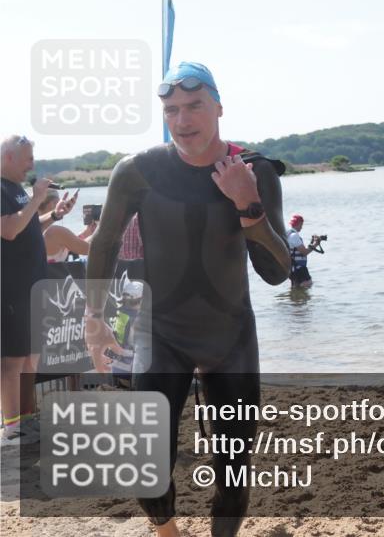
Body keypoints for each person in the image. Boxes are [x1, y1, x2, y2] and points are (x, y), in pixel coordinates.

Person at [84, 62, 291, 537]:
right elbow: (105, 241)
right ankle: (168, 533)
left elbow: (277, 273)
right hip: (162, 333)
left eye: (194, 105)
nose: (182, 119)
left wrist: (247, 204)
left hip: (230, 337)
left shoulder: (254, 170)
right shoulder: (137, 171)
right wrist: (93, 316)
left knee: (235, 469)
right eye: (171, 109)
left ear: (218, 106)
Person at [1, 135, 75, 445]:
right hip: (11, 289)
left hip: (32, 286)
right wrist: (35, 199)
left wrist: (55, 214)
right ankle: (12, 427)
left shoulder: (17, 190)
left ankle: (27, 420)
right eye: (28, 158)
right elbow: (8, 229)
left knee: (31, 357)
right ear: (8, 157)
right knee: (12, 360)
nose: (32, 164)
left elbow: (28, 226)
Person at [38, 190, 96, 262]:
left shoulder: (28, 230)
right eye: (60, 201)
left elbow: (68, 245)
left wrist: (86, 233)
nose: (63, 203)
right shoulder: (53, 232)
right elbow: (93, 249)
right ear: (52, 204)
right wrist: (102, 227)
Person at [109, 279, 143, 389]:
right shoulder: (127, 317)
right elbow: (119, 345)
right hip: (129, 370)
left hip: (126, 370)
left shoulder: (123, 314)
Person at [286, 214, 324, 288]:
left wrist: (312, 242)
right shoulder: (294, 236)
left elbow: (300, 251)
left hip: (292, 268)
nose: (302, 227)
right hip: (299, 268)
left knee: (296, 288)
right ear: (299, 223)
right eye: (301, 224)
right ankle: (302, 298)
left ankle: (296, 297)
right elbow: (304, 252)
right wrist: (316, 244)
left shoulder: (288, 234)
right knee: (308, 284)